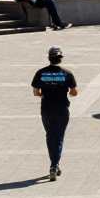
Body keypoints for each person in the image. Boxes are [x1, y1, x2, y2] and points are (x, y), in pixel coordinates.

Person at [31, 46, 78, 181]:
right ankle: (54, 165)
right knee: (59, 137)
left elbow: (35, 92)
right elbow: (74, 92)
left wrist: (42, 95)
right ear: (61, 58)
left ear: (49, 58)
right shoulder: (67, 73)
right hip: (62, 109)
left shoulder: (40, 73)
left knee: (50, 136)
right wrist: (68, 93)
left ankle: (54, 163)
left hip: (46, 109)